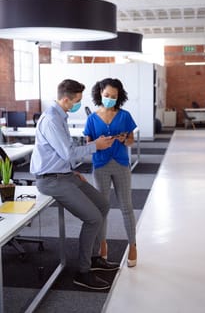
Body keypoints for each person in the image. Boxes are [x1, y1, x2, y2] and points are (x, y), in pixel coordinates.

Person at [30, 79, 119, 291]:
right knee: (93, 218)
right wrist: (94, 146)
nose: (78, 104)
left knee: (103, 206)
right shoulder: (52, 119)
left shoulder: (60, 115)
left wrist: (70, 169)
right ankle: (83, 272)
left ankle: (94, 257)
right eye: (77, 101)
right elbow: (68, 153)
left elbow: (63, 153)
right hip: (50, 180)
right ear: (65, 99)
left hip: (65, 174)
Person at [84, 77, 137, 267]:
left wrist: (124, 139)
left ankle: (132, 245)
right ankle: (102, 244)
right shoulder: (91, 118)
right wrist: (97, 144)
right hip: (100, 166)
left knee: (126, 207)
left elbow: (131, 141)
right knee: (102, 209)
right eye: (107, 95)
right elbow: (87, 144)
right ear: (100, 93)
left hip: (121, 164)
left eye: (114, 96)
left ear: (119, 97)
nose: (110, 99)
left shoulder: (125, 116)